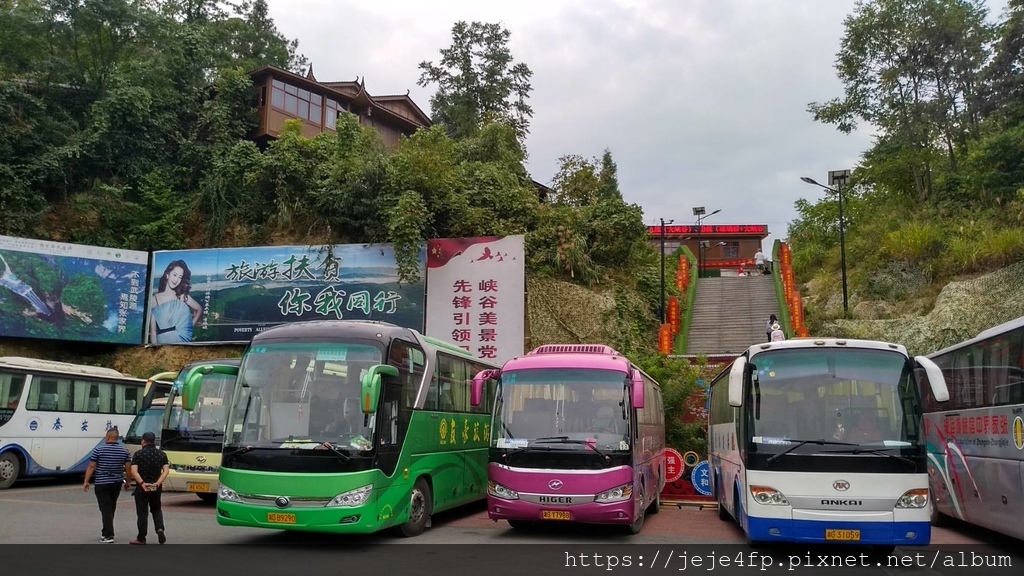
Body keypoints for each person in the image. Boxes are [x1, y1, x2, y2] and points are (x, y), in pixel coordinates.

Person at [83, 428, 131, 543]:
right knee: (111, 507)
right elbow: (128, 467)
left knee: (105, 509)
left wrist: (86, 481)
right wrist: (128, 481)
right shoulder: (124, 451)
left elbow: (92, 466)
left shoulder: (99, 450)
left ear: (108, 437)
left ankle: (109, 535)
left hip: (102, 483)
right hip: (116, 483)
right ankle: (106, 532)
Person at [130, 431, 169, 545]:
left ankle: (141, 537)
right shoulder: (161, 454)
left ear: (143, 441)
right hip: (156, 487)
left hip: (142, 487)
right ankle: (159, 528)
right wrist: (157, 483)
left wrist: (142, 483)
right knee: (156, 509)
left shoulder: (138, 454)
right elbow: (166, 471)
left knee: (142, 512)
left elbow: (134, 471)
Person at [150, 259, 203, 344]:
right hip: (163, 342)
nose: (176, 280)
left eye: (180, 277)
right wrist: (155, 349)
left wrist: (190, 326)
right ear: (167, 275)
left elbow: (199, 309)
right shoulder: (154, 299)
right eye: (174, 275)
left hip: (182, 340)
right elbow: (153, 330)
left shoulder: (181, 296)